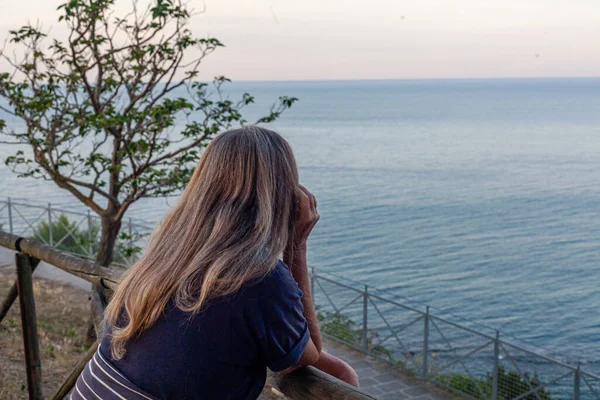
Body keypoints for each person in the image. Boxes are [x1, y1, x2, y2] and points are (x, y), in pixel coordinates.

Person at [72, 126, 359, 399]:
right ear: (283, 194)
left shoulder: (166, 255)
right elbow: (305, 353)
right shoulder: (260, 280)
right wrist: (296, 244)